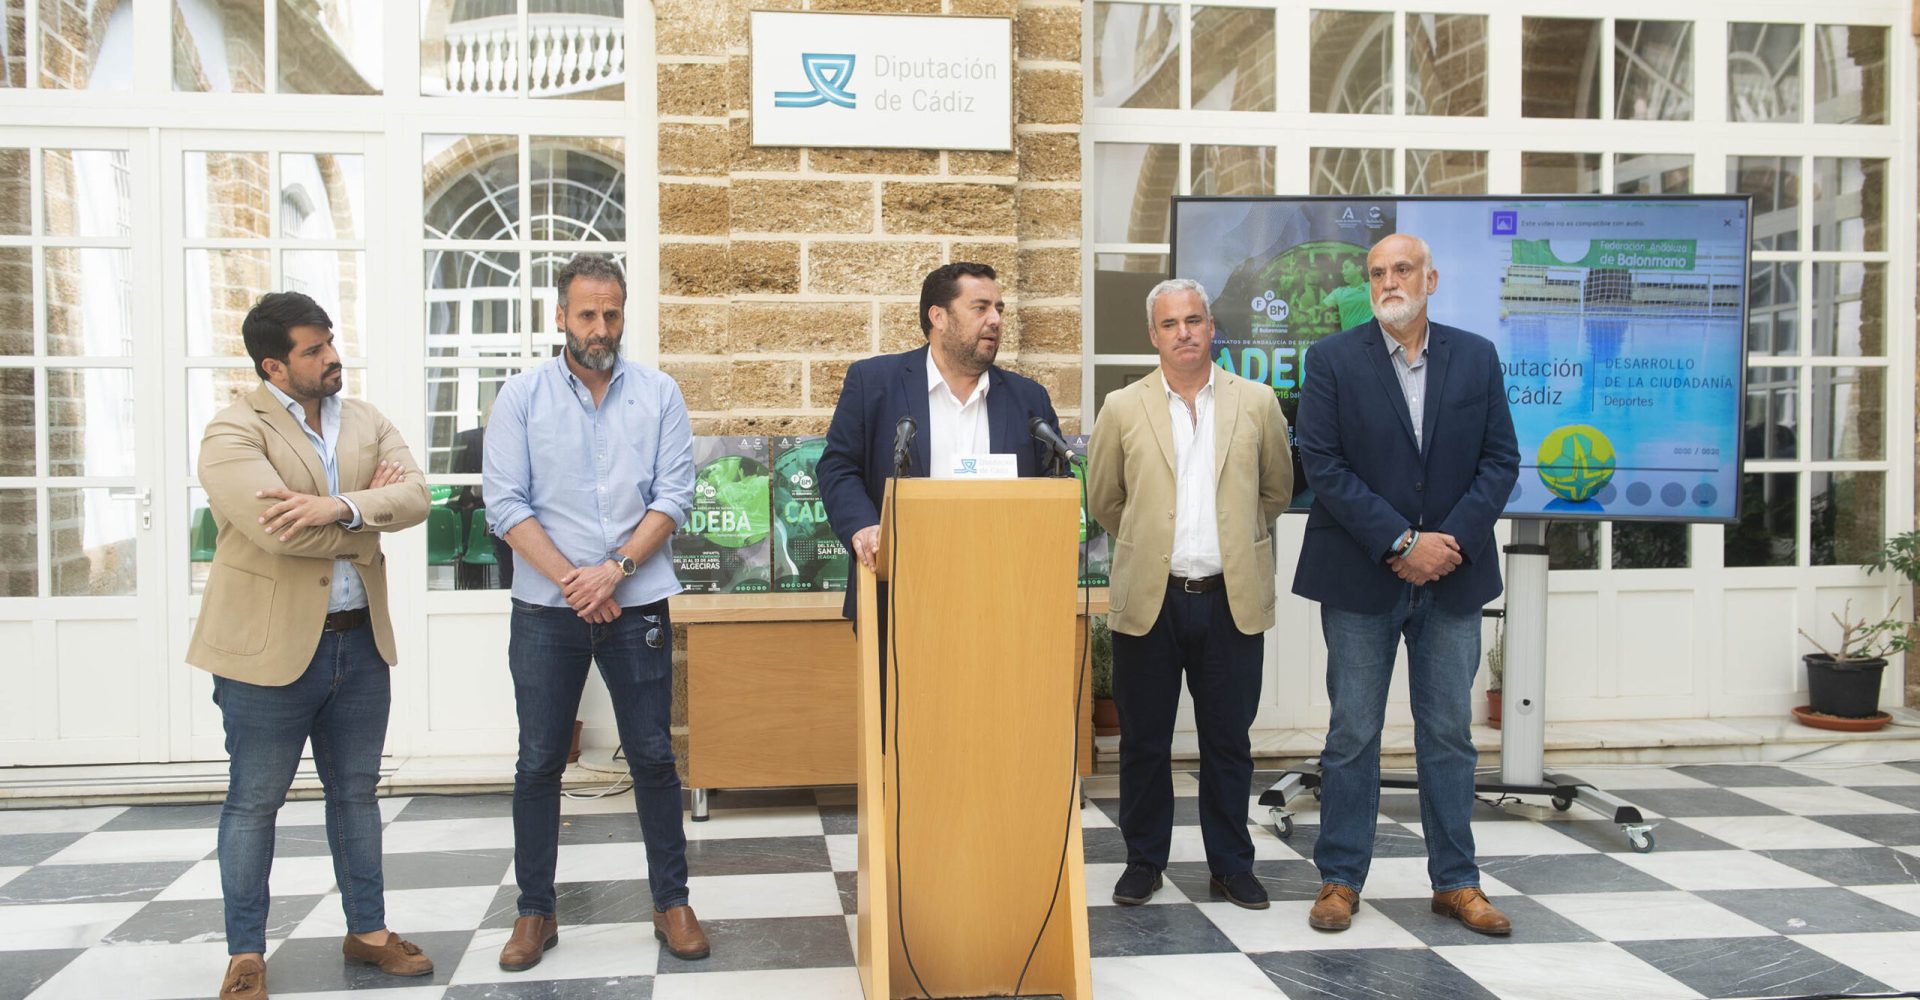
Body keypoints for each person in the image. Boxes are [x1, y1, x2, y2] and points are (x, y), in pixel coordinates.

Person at [190, 291, 432, 1000]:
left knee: (355, 795)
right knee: (253, 802)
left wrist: (338, 502)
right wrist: (367, 513)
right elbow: (276, 530)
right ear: (274, 364)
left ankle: (369, 931)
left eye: (331, 342)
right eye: (314, 349)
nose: (332, 357)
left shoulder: (365, 419)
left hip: (359, 647)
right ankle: (245, 955)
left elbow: (417, 496)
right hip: (267, 654)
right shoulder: (233, 432)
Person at [1291, 233, 1521, 935]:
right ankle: (1339, 880)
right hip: (1362, 576)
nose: (1388, 281)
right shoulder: (1332, 359)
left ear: (1432, 277)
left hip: (1452, 576)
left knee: (1449, 733)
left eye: (1401, 270)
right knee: (1353, 733)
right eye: (1377, 273)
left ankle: (1456, 881)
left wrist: (1444, 545)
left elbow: (1501, 460)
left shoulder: (1475, 357)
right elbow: (1323, 464)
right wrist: (1401, 541)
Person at [483, 253, 707, 968]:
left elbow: (674, 495)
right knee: (539, 762)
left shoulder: (659, 392)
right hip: (546, 610)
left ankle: (671, 901)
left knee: (652, 756)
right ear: (560, 315)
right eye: (587, 314)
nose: (601, 327)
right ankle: (534, 913)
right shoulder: (520, 397)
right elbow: (505, 504)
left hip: (634, 601)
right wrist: (573, 581)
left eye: (612, 313)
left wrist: (612, 573)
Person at [1086, 278, 1291, 910]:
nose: (1184, 333)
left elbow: (1277, 491)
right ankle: (1144, 860)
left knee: (1227, 741)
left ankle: (1231, 864)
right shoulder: (1122, 407)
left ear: (1211, 327)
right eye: (1170, 323)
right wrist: (1153, 544)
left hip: (1231, 599)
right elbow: (1104, 499)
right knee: (1145, 741)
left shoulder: (1257, 402)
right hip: (1152, 599)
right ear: (1153, 335)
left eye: (1195, 320)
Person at [817, 261, 1062, 616]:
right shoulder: (873, 383)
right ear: (939, 317)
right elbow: (838, 467)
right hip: (902, 591)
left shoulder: (1028, 399)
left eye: (998, 309)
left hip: (1007, 599)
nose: (995, 320)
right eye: (980, 308)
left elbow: (1054, 487)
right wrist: (864, 527)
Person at [1320, 256, 1375, 331]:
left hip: (1371, 338)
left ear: (1359, 268)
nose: (1343, 271)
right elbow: (1320, 308)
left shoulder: (1374, 286)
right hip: (1349, 339)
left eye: (1346, 267)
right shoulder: (1339, 292)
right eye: (1342, 269)